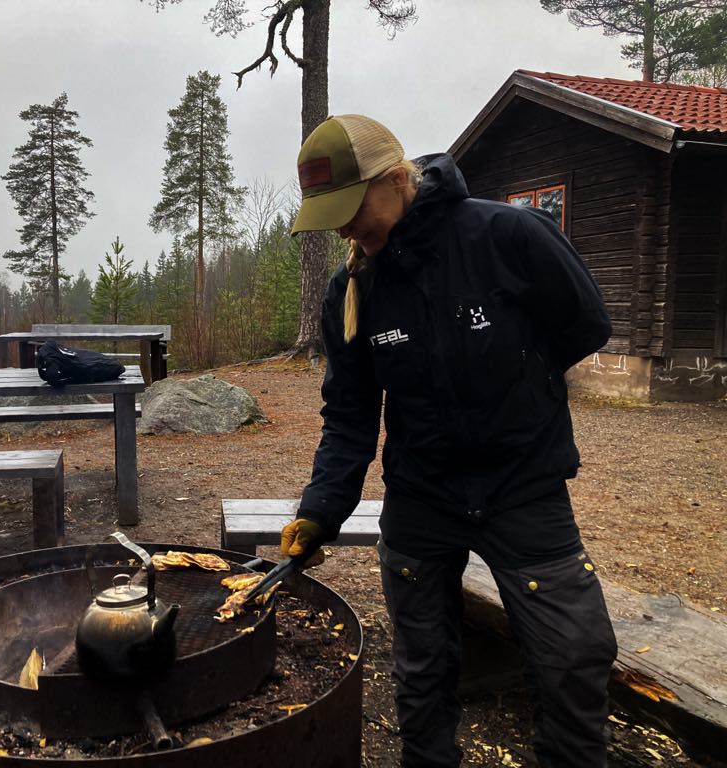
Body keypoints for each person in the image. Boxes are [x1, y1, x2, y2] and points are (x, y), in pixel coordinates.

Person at [280, 114, 618, 767]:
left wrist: (521, 380)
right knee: (422, 675)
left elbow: (587, 324)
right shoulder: (351, 293)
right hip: (422, 498)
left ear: (397, 179)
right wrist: (320, 510)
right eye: (331, 214)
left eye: (352, 207)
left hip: (523, 488)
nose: (345, 226)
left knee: (573, 661)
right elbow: (349, 416)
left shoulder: (507, 236)